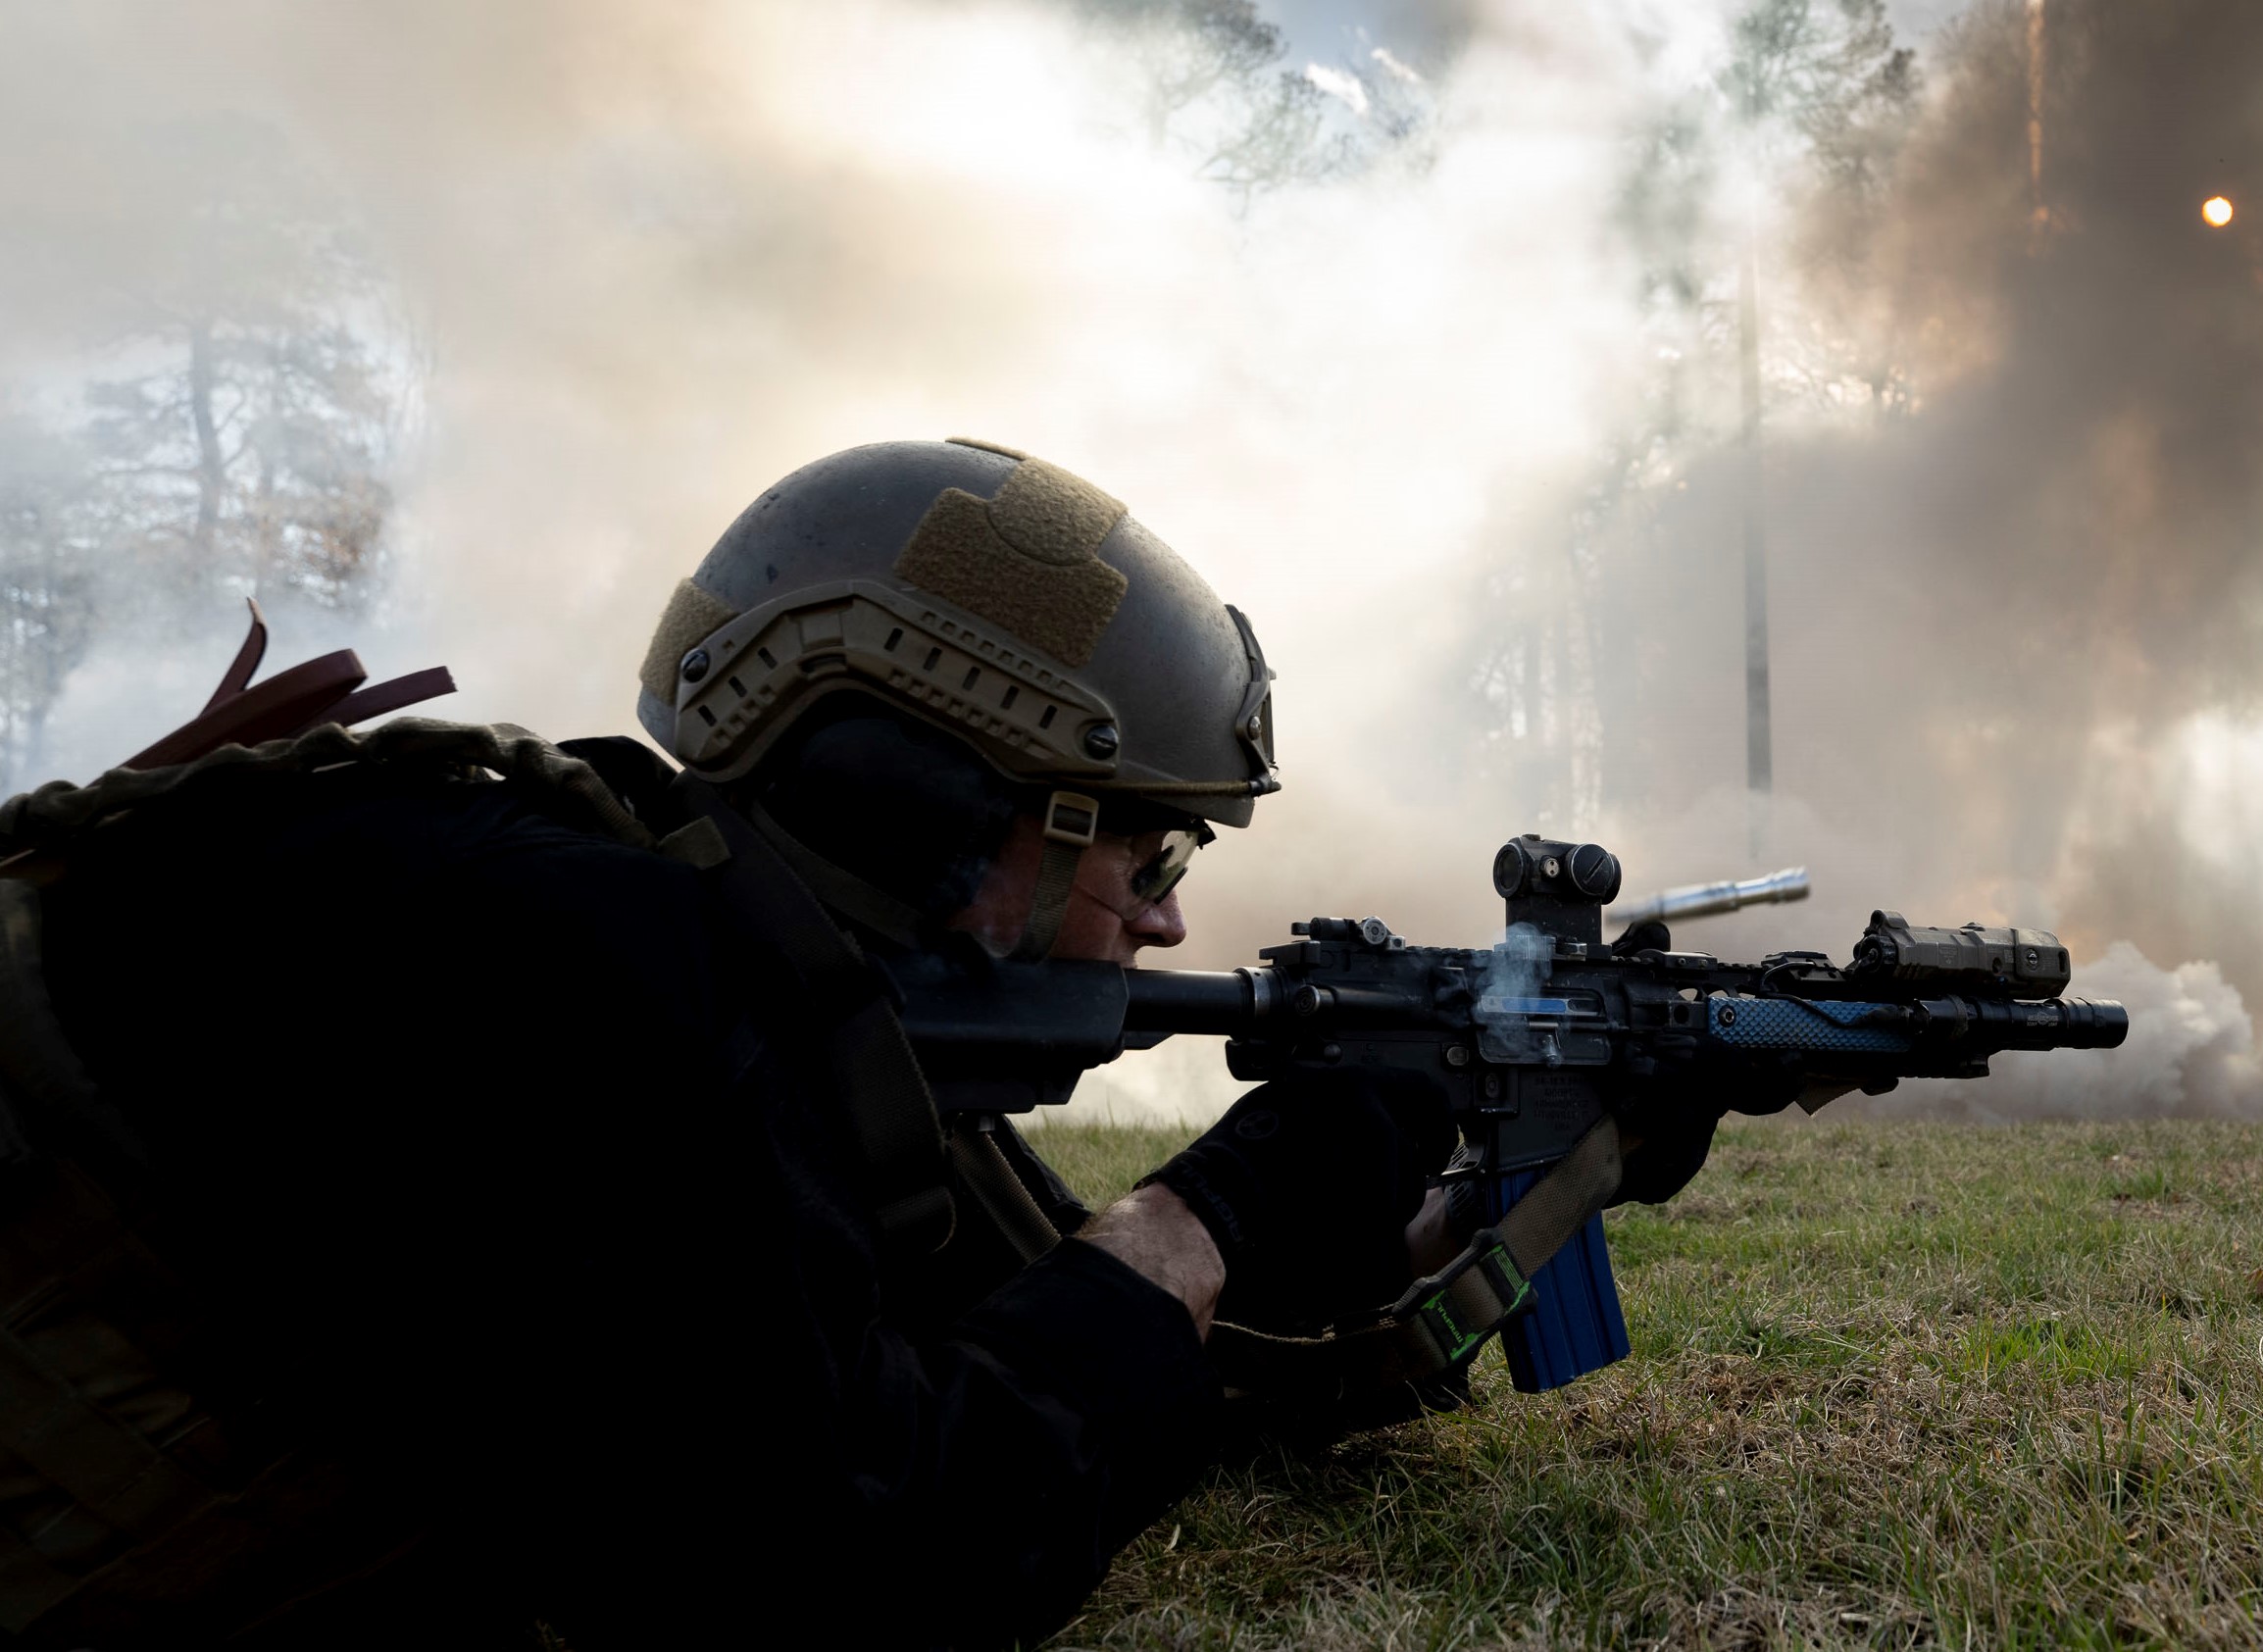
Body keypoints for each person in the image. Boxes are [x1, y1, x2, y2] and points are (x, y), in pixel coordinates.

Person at [0, 438, 1460, 1648]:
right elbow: (853, 1580)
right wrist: (1211, 1209)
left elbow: (1001, 1355)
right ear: (937, 815)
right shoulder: (571, 970)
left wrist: (1459, 1205)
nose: (1163, 923)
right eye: (1148, 857)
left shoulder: (680, 942)